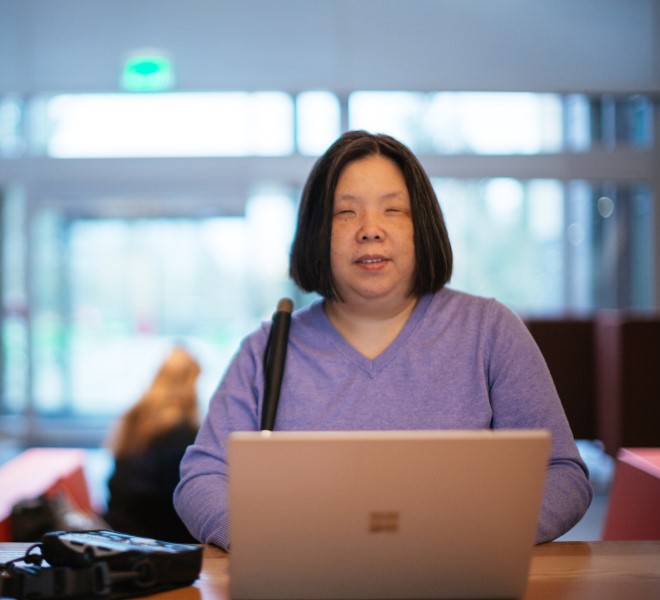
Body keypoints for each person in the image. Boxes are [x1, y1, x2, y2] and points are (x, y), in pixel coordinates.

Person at [173, 130, 593, 549]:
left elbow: (561, 473)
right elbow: (202, 477)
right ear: (318, 230)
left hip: (460, 576)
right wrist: (262, 543)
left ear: (421, 227)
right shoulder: (265, 350)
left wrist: (481, 539)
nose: (370, 230)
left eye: (393, 210)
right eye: (345, 213)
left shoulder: (490, 331)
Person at [103, 346, 201, 543]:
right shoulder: (182, 430)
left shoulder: (133, 415)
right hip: (160, 537)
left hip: (120, 527)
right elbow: (180, 496)